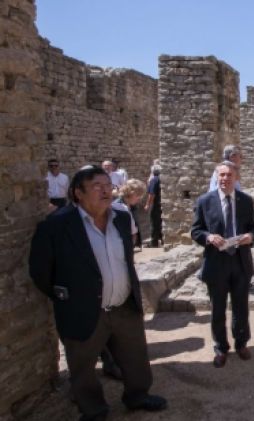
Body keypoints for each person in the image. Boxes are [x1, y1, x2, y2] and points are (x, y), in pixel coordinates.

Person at [29, 166, 167, 420]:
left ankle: (137, 396)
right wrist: (68, 298)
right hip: (82, 309)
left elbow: (125, 260)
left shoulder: (121, 218)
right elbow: (41, 271)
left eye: (107, 185)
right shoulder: (57, 226)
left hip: (123, 305)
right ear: (78, 193)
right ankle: (93, 410)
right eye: (97, 186)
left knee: (135, 356)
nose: (106, 190)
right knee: (82, 366)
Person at [191, 161, 254, 368]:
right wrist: (209, 237)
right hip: (216, 263)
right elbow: (196, 231)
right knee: (218, 309)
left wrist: (250, 236)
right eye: (221, 175)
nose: (225, 179)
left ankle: (241, 343)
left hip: (240, 262)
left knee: (241, 308)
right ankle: (220, 347)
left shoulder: (246, 201)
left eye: (229, 175)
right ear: (216, 177)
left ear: (236, 177)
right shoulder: (205, 201)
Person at [112, 179, 146, 246]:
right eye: (138, 196)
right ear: (132, 193)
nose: (139, 199)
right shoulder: (120, 208)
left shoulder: (126, 206)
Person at [144, 164, 162, 248]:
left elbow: (152, 194)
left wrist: (147, 204)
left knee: (154, 223)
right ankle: (161, 240)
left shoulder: (154, 180)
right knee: (160, 222)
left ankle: (154, 242)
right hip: (161, 204)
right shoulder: (161, 179)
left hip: (156, 204)